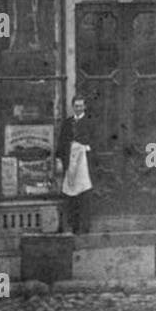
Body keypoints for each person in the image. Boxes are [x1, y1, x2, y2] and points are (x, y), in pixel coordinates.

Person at [56, 94, 94, 235]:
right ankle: (74, 226)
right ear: (72, 107)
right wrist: (60, 159)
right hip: (70, 164)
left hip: (84, 164)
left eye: (80, 106)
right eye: (76, 106)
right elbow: (61, 142)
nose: (78, 108)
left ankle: (85, 227)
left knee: (84, 194)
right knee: (71, 195)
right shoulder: (68, 123)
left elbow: (94, 140)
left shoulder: (90, 122)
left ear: (84, 106)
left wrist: (85, 148)